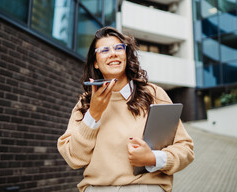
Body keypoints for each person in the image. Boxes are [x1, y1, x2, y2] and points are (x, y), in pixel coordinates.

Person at [57, 27, 194, 192]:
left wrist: (152, 158)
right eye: (104, 50)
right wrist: (94, 114)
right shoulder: (85, 103)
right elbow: (74, 158)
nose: (113, 53)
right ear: (95, 62)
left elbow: (185, 148)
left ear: (126, 55)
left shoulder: (153, 94)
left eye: (118, 48)